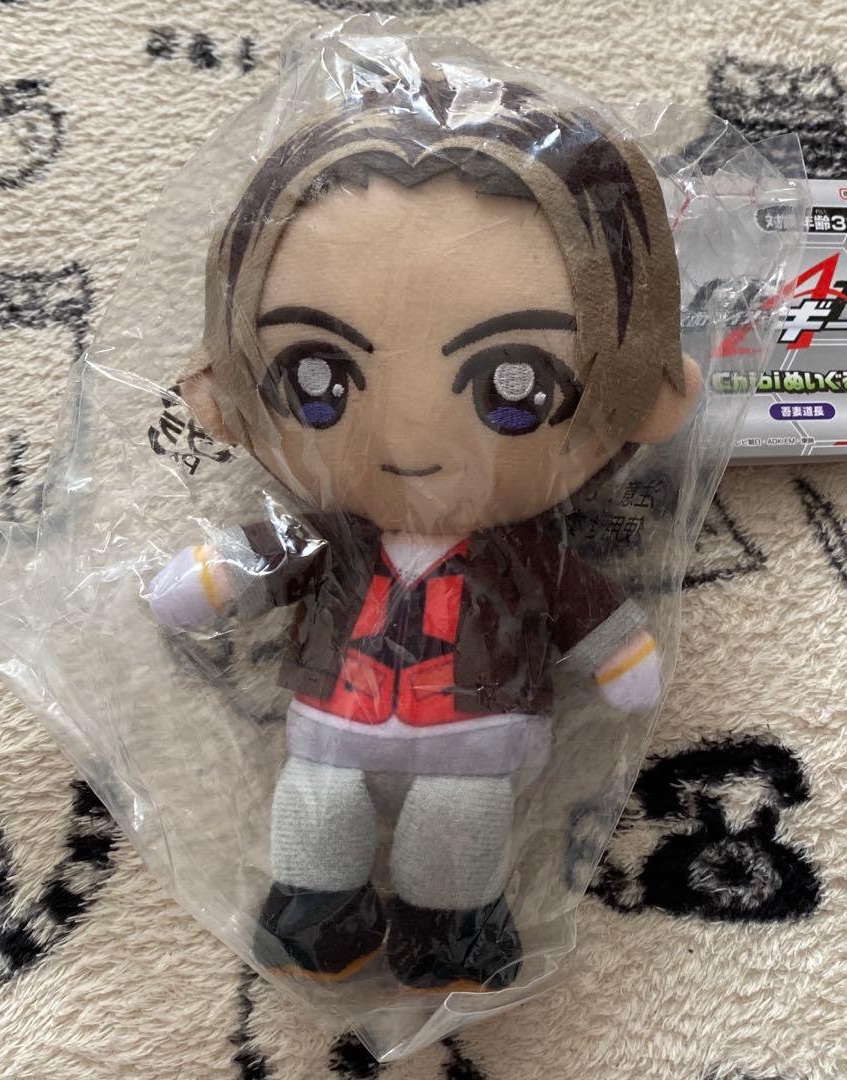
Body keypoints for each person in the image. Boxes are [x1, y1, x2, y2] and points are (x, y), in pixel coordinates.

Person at [147, 73, 700, 992]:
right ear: (227, 389)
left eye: (516, 386)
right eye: (316, 377)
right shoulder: (331, 537)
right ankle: (317, 913)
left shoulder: (522, 555)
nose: (408, 440)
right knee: (317, 809)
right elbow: (262, 556)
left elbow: (581, 604)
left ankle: (450, 929)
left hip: (472, 737)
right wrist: (217, 572)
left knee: (458, 825)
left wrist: (618, 648)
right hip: (336, 724)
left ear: (644, 394)